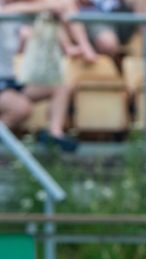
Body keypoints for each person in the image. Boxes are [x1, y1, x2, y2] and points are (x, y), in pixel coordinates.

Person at [0, 0, 85, 151]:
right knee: (21, 108)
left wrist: (68, 46)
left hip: (10, 80)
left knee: (60, 85)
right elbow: (9, 11)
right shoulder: (11, 10)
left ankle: (54, 134)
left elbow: (52, 12)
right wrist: (48, 6)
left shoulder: (20, 13)